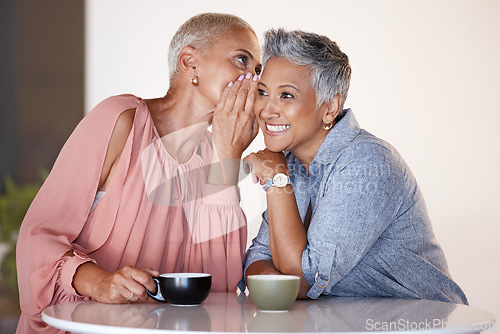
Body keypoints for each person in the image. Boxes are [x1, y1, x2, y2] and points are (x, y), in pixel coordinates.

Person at [16, 13, 262, 333]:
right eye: (241, 60)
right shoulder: (121, 120)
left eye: (257, 70)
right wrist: (98, 281)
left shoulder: (212, 154)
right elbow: (37, 237)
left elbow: (219, 288)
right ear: (190, 63)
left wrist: (229, 157)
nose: (253, 79)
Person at [242, 28, 468, 304]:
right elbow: (258, 258)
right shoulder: (290, 162)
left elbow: (301, 282)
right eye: (263, 93)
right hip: (346, 323)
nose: (266, 110)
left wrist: (277, 180)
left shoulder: (367, 162)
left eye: (286, 95)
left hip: (423, 325)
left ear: (330, 107)